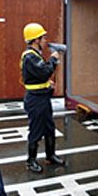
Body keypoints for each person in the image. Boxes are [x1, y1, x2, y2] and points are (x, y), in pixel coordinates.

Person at [21, 22, 65, 173]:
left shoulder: (35, 55)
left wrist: (47, 83)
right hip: (35, 100)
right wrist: (53, 59)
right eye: (43, 37)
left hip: (42, 98)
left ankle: (50, 155)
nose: (45, 40)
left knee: (49, 128)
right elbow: (44, 71)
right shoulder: (30, 57)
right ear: (35, 40)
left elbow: (39, 76)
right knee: (36, 129)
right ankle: (31, 160)